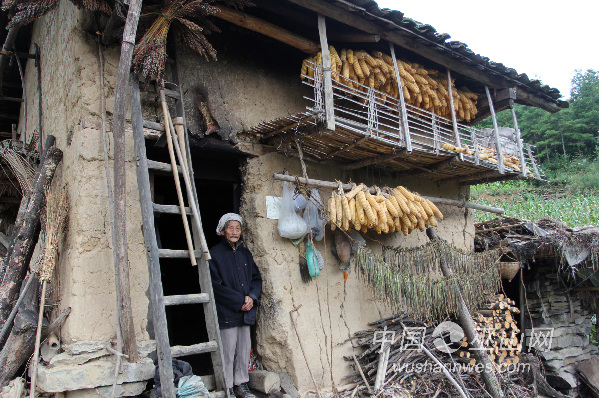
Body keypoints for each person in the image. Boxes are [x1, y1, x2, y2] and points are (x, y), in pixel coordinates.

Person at [209, 213, 262, 398]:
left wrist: (252, 297)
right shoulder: (214, 254)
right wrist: (239, 301)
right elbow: (216, 286)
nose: (234, 232)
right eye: (230, 228)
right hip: (228, 311)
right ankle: (227, 386)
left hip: (246, 311)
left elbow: (256, 278)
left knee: (243, 350)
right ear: (222, 231)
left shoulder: (245, 253)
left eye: (237, 228)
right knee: (228, 350)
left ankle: (241, 384)